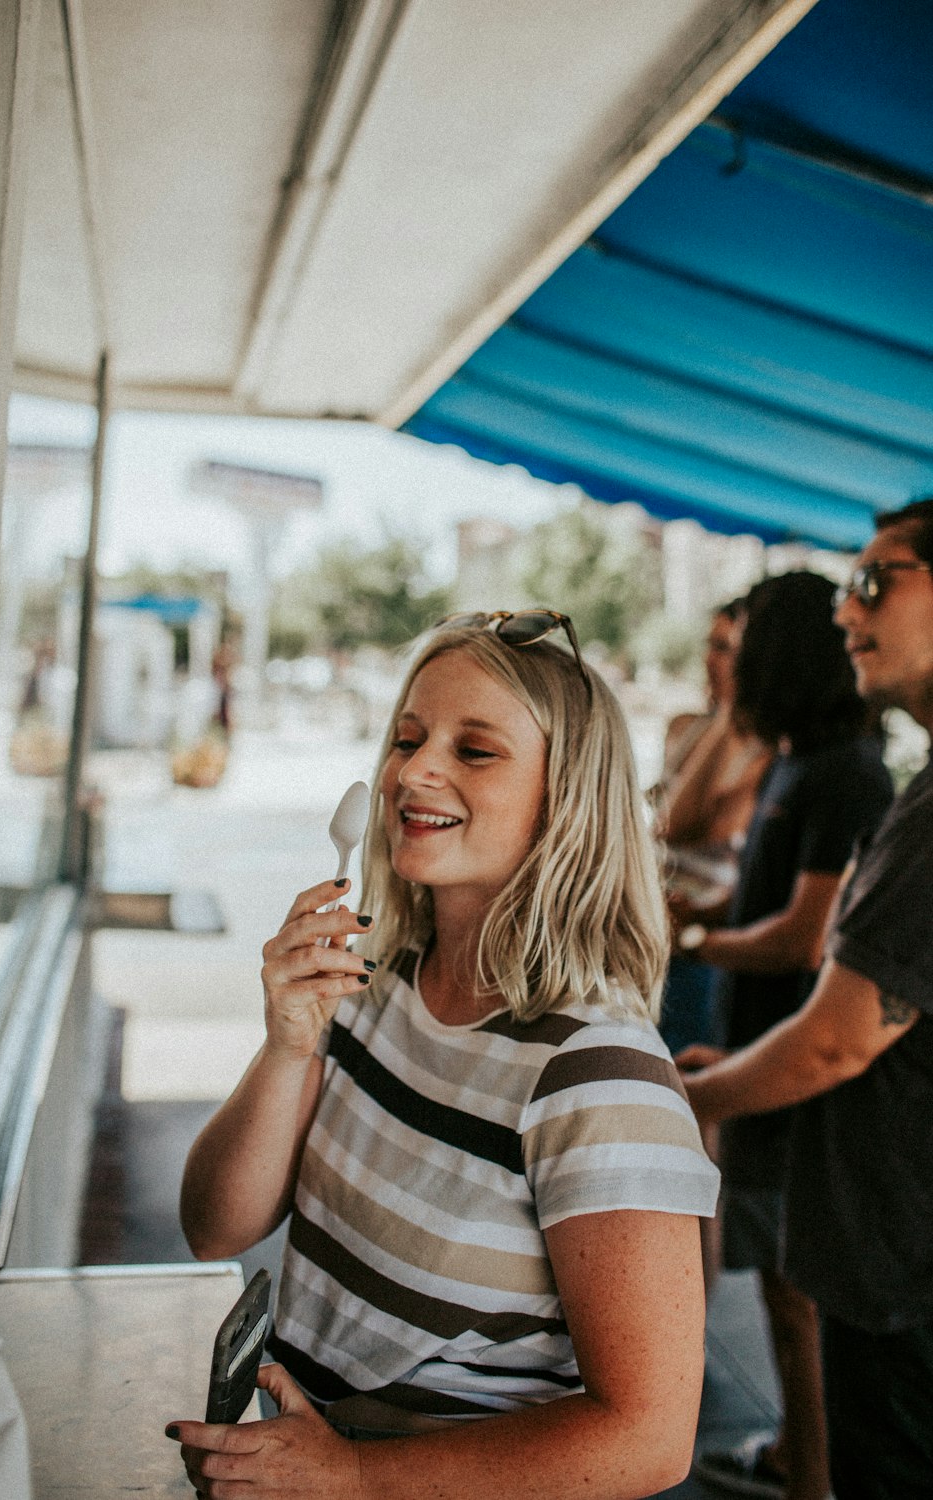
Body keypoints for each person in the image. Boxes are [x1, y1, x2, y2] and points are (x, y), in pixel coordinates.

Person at [167, 609, 719, 1500]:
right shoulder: (374, 979)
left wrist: (355, 1474)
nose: (410, 772)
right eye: (408, 738)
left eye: (475, 750)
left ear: (565, 798)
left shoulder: (599, 1075)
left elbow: (649, 1438)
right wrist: (285, 1047)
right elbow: (215, 1227)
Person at [680, 499, 933, 1500]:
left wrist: (697, 1099)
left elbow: (837, 1040)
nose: (845, 613)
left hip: (901, 1264)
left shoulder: (890, 796)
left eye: (875, 581)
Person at [655, 598, 772, 1056]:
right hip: (654, 928)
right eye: (710, 645)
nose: (711, 659)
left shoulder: (766, 754)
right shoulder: (687, 727)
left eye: (726, 649)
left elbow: (677, 824)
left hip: (701, 946)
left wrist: (732, 711)